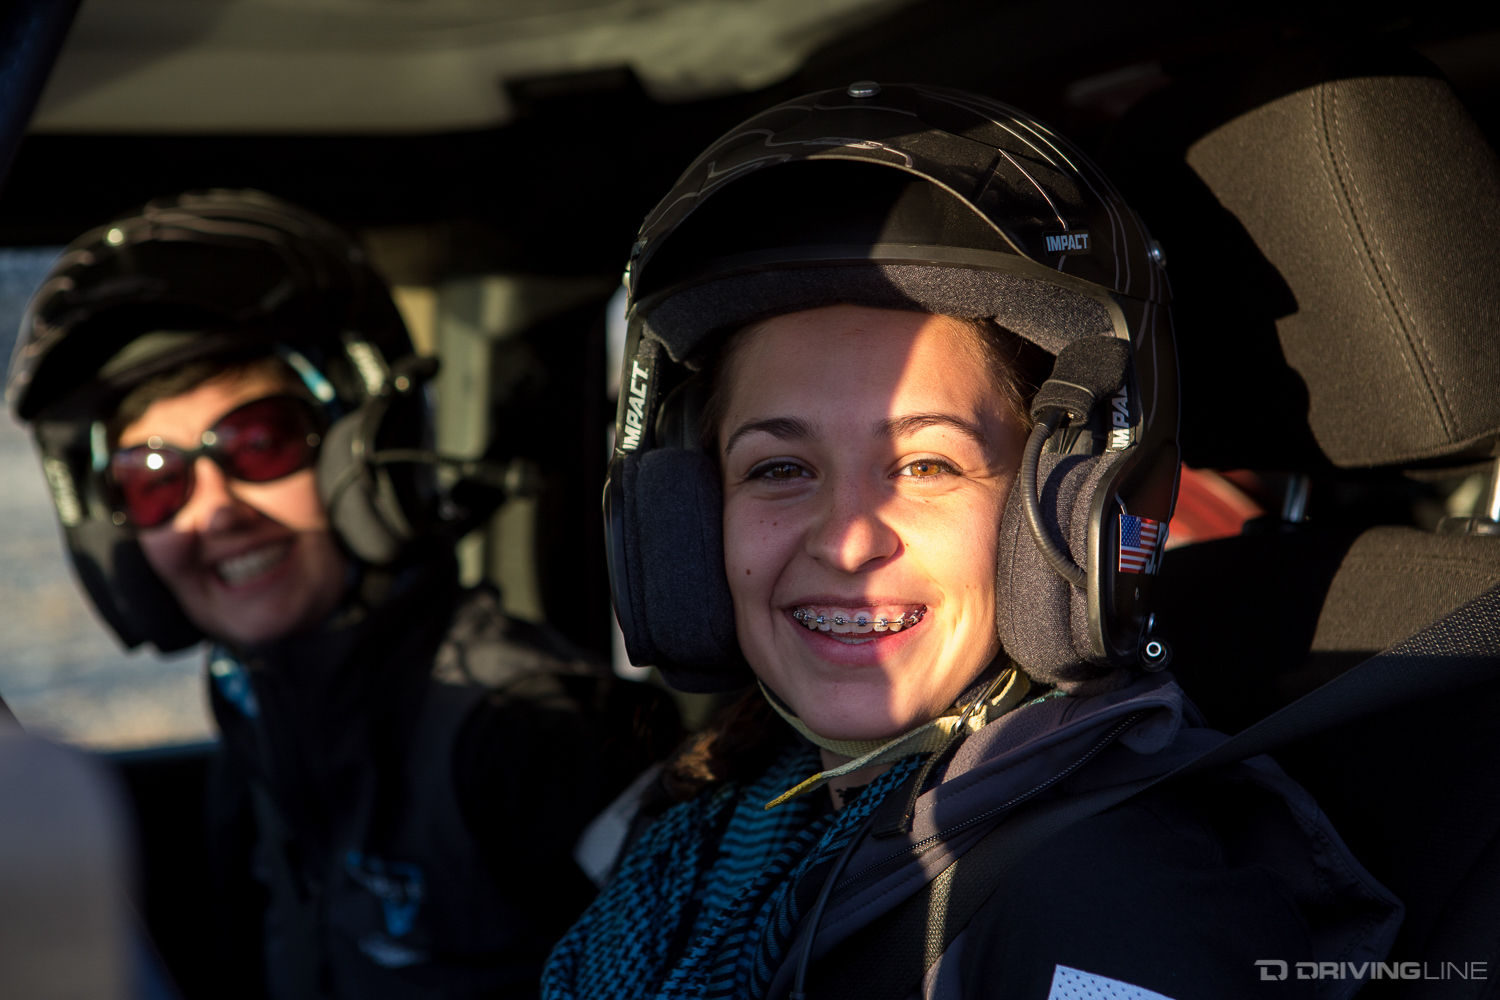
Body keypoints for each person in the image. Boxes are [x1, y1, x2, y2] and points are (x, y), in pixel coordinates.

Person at [543, 84, 1401, 1000]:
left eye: (925, 466)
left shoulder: (1108, 912)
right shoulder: (711, 839)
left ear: (1060, 504)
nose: (844, 541)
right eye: (778, 469)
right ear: (685, 517)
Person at [8, 190, 680, 1000]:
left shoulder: (533, 731)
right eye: (152, 480)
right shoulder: (256, 715)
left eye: (260, 442)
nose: (214, 510)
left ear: (363, 455)